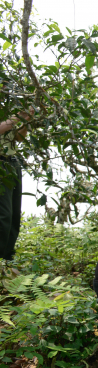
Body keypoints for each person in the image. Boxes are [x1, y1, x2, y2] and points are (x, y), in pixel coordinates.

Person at [0, 109, 30, 261]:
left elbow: (18, 137)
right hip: (1, 165)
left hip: (12, 163)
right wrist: (17, 118)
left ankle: (7, 259)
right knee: (3, 215)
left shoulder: (9, 106)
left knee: (14, 215)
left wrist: (26, 122)